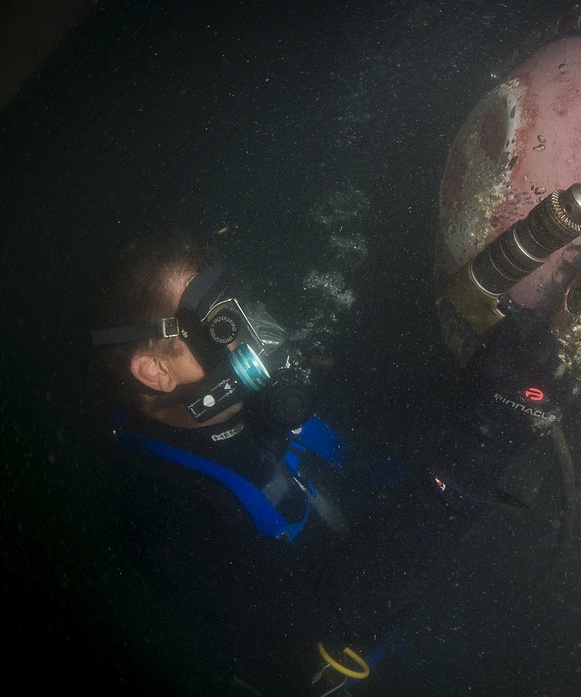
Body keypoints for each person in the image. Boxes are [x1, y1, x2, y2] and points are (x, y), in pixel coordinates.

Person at [88, 229, 421, 696]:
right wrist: (462, 478)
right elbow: (343, 608)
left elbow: (406, 414)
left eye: (239, 302)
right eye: (222, 327)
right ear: (156, 371)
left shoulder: (283, 394)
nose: (257, 333)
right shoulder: (158, 512)